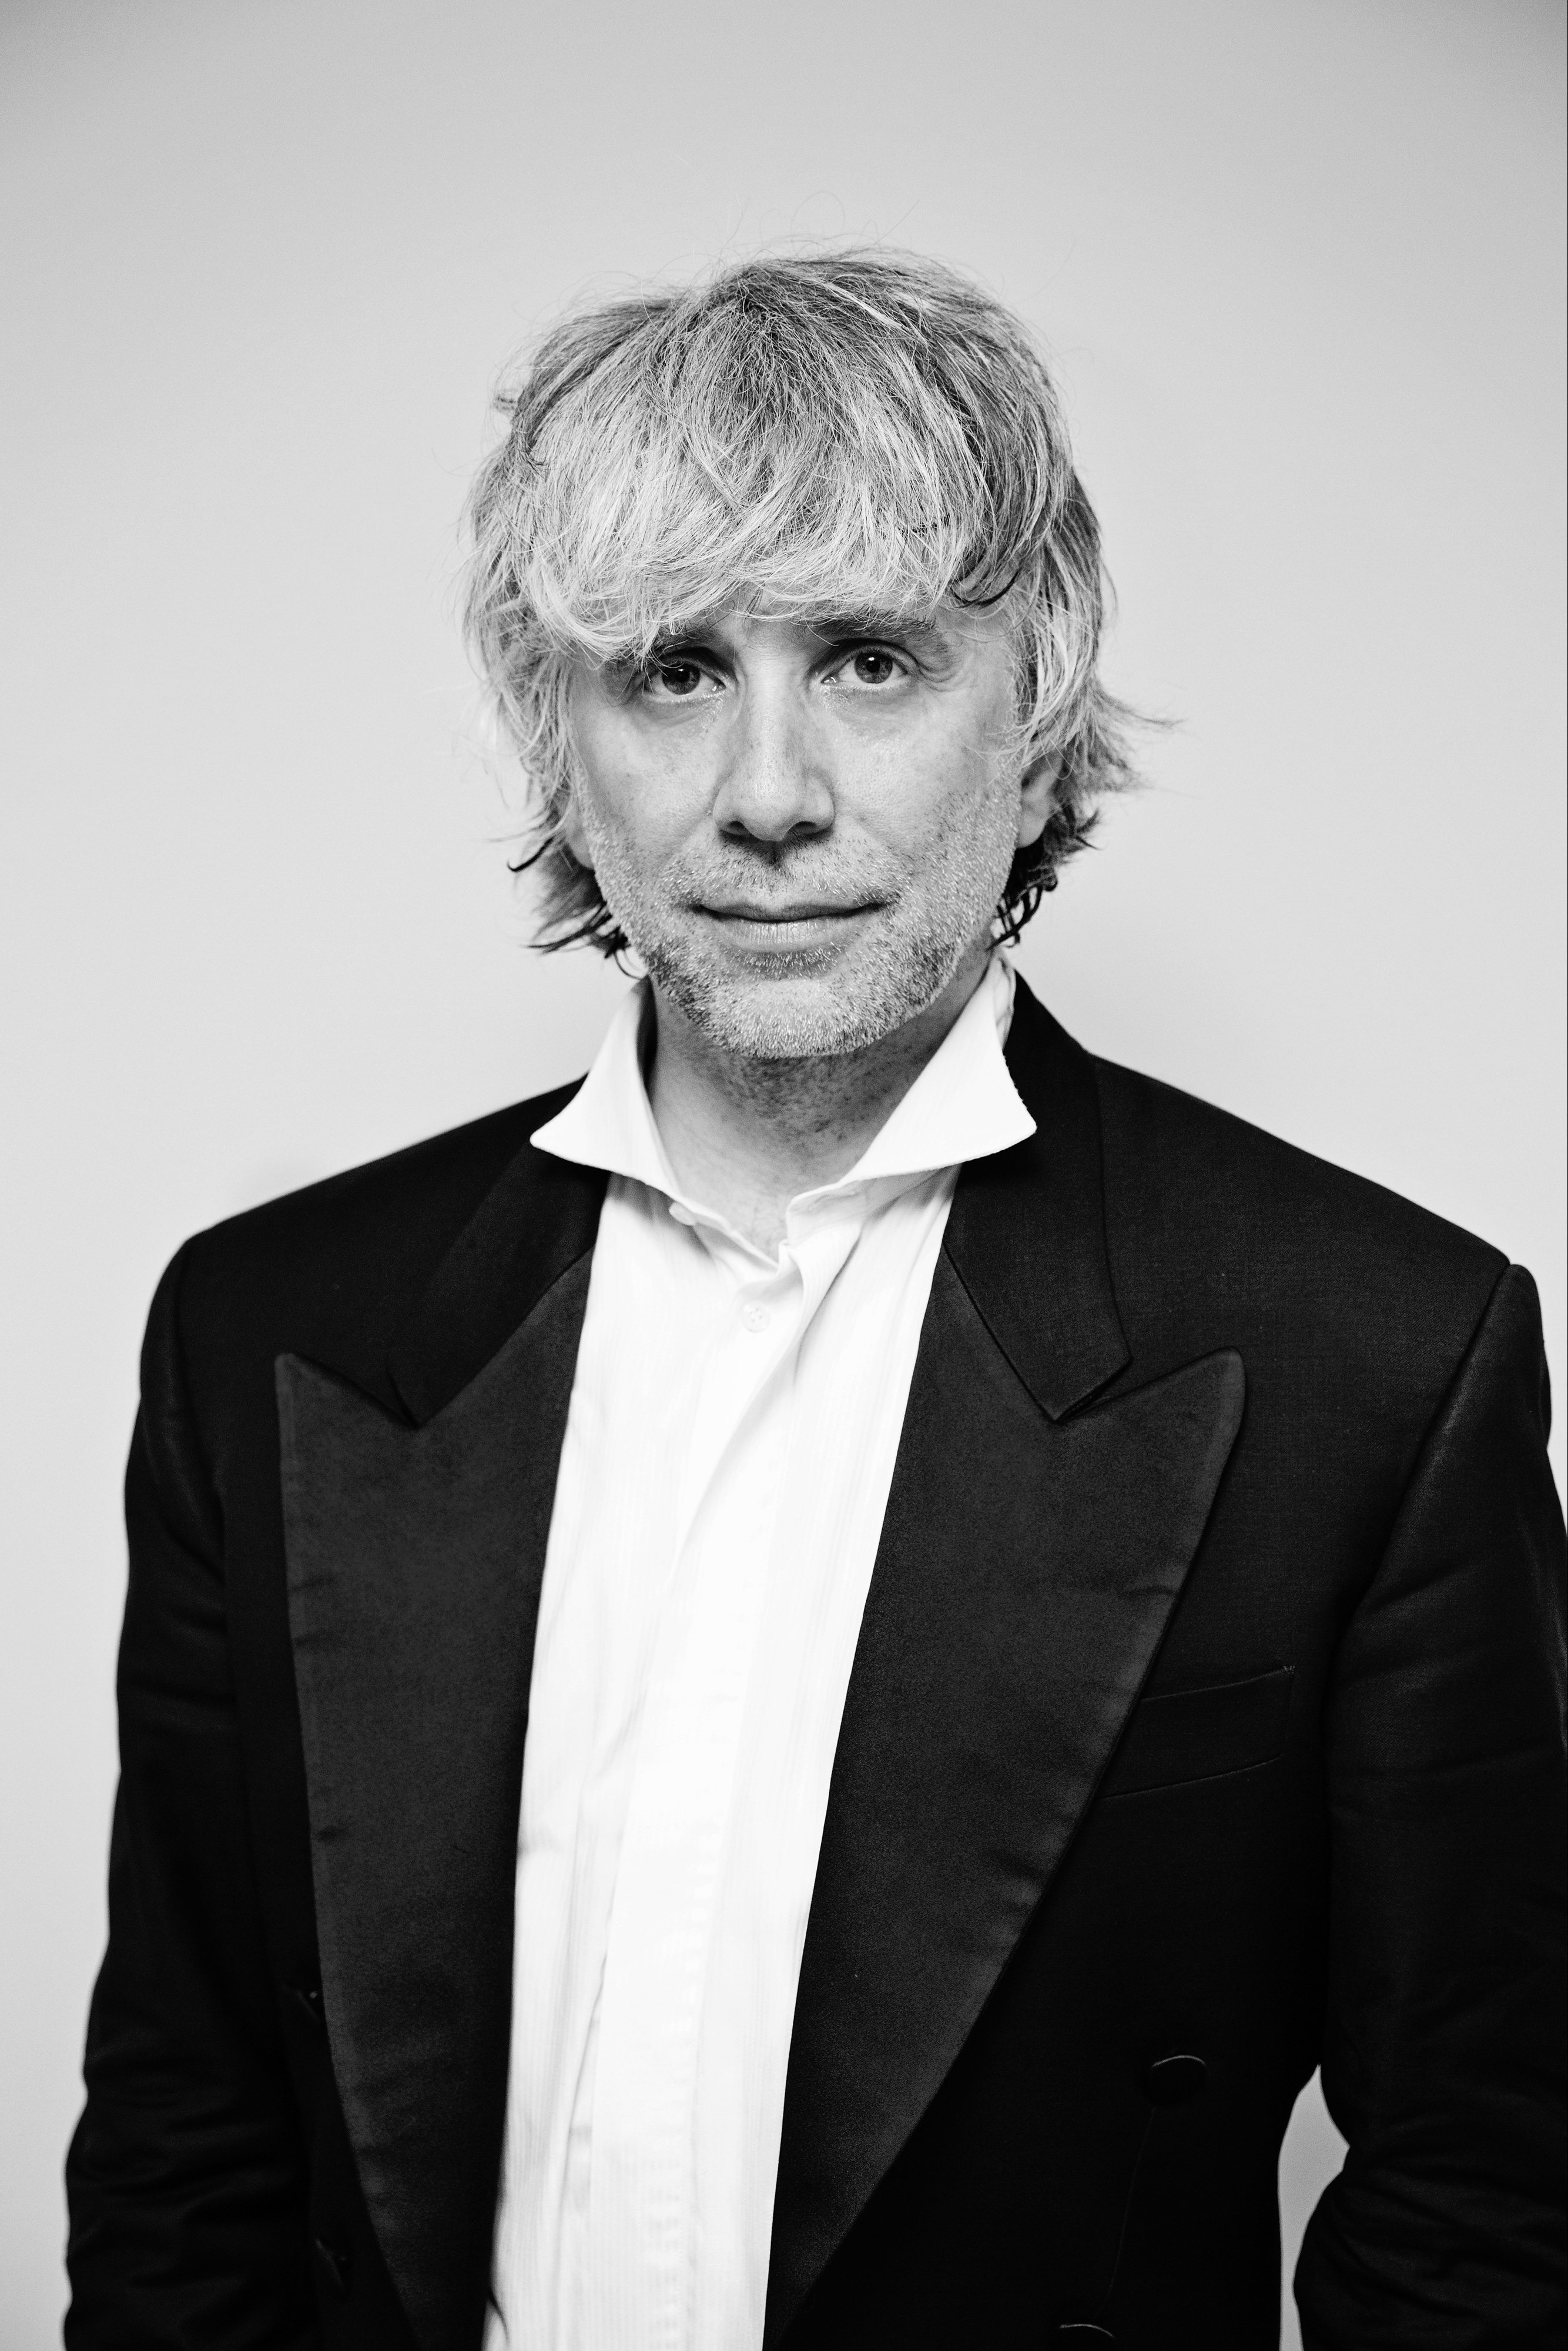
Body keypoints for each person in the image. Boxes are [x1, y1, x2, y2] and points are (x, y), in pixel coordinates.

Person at [64, 249, 1564, 2351]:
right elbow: (186, 2142)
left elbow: (1489, 2189)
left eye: (869, 660)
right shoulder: (268, 1326)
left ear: (1031, 724)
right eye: (673, 670)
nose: (767, 794)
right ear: (560, 742)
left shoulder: (1374, 1354)